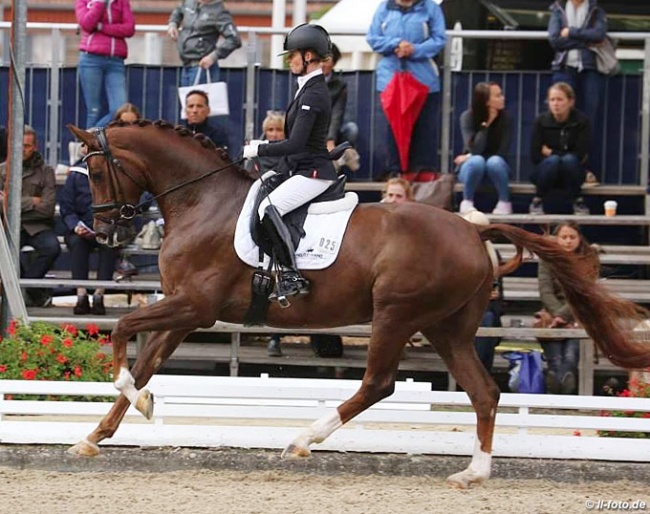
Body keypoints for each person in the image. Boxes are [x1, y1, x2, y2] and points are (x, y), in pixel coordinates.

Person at [242, 23, 337, 302]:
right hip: (302, 168)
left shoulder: (314, 93)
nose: (290, 60)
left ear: (308, 56)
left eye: (293, 55)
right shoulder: (306, 88)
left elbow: (296, 143)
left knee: (268, 209)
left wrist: (260, 147)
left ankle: (290, 274)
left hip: (313, 172)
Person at [367, 0, 446, 179]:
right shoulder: (384, 7)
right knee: (393, 129)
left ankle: (422, 175)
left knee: (424, 128)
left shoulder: (430, 8)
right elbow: (373, 38)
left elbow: (439, 39)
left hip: (424, 80)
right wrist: (396, 45)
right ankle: (394, 174)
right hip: (390, 80)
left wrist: (414, 50)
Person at [0, 126, 61, 307]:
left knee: (52, 248)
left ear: (35, 146)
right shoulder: (2, 170)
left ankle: (29, 286)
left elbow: (47, 208)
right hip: (10, 226)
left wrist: (10, 202)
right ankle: (29, 292)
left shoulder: (46, 171)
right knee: (7, 254)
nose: (23, 149)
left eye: (27, 146)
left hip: (38, 226)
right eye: (19, 145)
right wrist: (32, 201)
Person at [537, 221, 600, 394]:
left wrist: (564, 316)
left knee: (570, 358)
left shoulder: (589, 258)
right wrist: (557, 315)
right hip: (551, 315)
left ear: (579, 238)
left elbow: (584, 292)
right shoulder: (547, 259)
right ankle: (555, 394)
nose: (567, 241)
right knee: (556, 360)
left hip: (580, 313)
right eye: (563, 237)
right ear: (556, 239)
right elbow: (545, 291)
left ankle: (562, 394)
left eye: (572, 237)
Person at [548, 0, 609, 177]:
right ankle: (561, 166)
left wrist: (572, 33)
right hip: (565, 68)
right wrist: (585, 41)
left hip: (590, 68)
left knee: (590, 120)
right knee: (561, 117)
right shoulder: (558, 8)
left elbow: (599, 34)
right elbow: (555, 40)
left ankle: (588, 169)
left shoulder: (595, 8)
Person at [60, 142, 117, 315]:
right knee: (77, 243)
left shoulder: (114, 173)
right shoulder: (76, 174)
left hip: (107, 228)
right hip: (80, 228)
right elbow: (66, 207)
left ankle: (100, 295)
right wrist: (76, 226)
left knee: (110, 243)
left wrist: (108, 226)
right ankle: (81, 294)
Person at [529, 82, 591, 215]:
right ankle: (537, 200)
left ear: (570, 102)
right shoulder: (541, 121)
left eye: (560, 99)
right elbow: (535, 156)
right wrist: (555, 157)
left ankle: (578, 201)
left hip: (572, 171)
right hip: (545, 172)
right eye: (552, 100)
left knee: (568, 160)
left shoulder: (581, 121)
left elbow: (580, 154)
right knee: (554, 161)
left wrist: (551, 152)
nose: (555, 104)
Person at [454, 82, 512, 215]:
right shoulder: (467, 117)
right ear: (486, 101)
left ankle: (504, 202)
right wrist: (486, 125)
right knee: (477, 161)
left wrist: (467, 156)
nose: (502, 98)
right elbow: (474, 149)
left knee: (494, 161)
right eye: (498, 96)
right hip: (472, 169)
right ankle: (467, 201)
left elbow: (502, 151)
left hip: (497, 169)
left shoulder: (506, 118)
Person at [75, 0, 135, 129]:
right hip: (91, 59)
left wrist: (102, 27)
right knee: (93, 110)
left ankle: (88, 138)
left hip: (115, 61)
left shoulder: (122, 2)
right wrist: (99, 3)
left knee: (120, 110)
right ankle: (87, 146)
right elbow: (87, 24)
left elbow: (129, 29)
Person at [167, 0, 242, 87]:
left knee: (200, 100)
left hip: (203, 68)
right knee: (186, 100)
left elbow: (234, 39)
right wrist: (173, 24)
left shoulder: (219, 12)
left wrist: (213, 57)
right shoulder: (189, 3)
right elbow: (178, 10)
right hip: (186, 65)